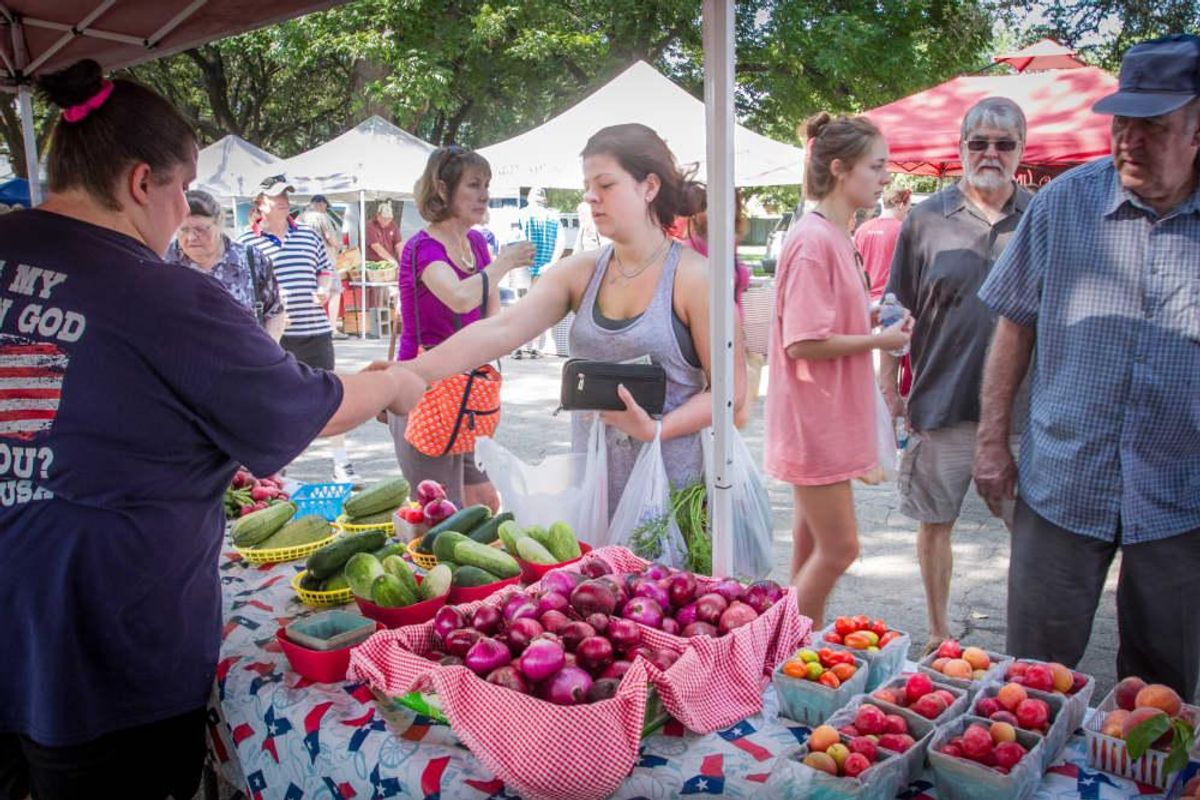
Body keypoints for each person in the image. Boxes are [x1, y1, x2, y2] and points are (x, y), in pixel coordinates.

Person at [0, 59, 425, 800]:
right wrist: (394, 382)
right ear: (142, 184)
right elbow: (302, 409)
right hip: (103, 657)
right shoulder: (160, 295)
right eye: (180, 187)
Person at [974, 34, 1200, 701]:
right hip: (1064, 482)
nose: (1128, 139)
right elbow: (1012, 324)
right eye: (1121, 122)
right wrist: (992, 442)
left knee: (1163, 691)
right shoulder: (1062, 205)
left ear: (1196, 131)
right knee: (1033, 680)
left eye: (1151, 127)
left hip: (1183, 494)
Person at [405, 124, 746, 522]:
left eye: (605, 184)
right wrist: (409, 372)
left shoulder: (695, 277)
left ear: (648, 186)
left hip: (673, 497)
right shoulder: (580, 271)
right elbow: (499, 330)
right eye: (587, 185)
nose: (590, 197)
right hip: (595, 491)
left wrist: (657, 429)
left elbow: (731, 390)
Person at [878, 97, 1032, 654]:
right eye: (979, 142)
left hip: (1023, 411)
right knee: (934, 519)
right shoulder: (924, 218)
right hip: (940, 401)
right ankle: (939, 632)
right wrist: (888, 389)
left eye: (1003, 143)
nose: (990, 153)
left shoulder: (1041, 216)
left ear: (1021, 150)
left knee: (1032, 536)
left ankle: (1025, 642)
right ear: (961, 147)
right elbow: (896, 310)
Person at [764, 113, 912, 625]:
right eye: (877, 166)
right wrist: (880, 339)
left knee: (809, 552)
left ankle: (795, 652)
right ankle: (772, 647)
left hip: (823, 418)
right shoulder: (815, 240)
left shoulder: (830, 234)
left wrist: (871, 316)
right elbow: (802, 341)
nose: (886, 176)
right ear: (840, 168)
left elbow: (819, 319)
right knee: (841, 548)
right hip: (816, 422)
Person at [392, 146, 535, 510]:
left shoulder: (474, 243)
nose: (484, 194)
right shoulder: (421, 247)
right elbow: (459, 298)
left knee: (484, 500)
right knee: (438, 510)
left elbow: (489, 319)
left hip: (468, 391)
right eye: (473, 185)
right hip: (424, 390)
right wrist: (503, 263)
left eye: (486, 184)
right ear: (442, 189)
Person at [239, 177, 361, 485]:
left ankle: (341, 463)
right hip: (272, 336)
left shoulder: (308, 235)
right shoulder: (245, 242)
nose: (283, 200)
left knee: (329, 396)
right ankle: (276, 469)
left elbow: (327, 271)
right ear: (260, 203)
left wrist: (323, 289)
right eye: (276, 196)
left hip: (315, 331)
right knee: (275, 401)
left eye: (286, 195)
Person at [676, 185, 752, 427]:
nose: (719, 211)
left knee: (735, 420)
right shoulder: (690, 249)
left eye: (730, 205)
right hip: (708, 345)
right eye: (708, 206)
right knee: (721, 420)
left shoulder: (727, 243)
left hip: (737, 340)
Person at [166, 189, 287, 341]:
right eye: (183, 230)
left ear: (219, 224)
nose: (191, 237)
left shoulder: (252, 260)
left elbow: (275, 313)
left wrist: (267, 354)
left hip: (244, 361)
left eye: (200, 229)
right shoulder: (162, 263)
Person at [513, 186, 565, 357]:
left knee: (520, 307)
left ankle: (519, 346)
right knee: (539, 309)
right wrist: (552, 263)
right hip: (544, 269)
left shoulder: (521, 214)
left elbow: (514, 239)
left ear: (529, 198)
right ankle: (535, 347)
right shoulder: (553, 218)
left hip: (523, 266)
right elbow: (560, 243)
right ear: (544, 200)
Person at [296, 194, 346, 338]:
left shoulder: (300, 218)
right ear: (322, 204)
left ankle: (310, 327)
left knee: (309, 293)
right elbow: (330, 238)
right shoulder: (322, 217)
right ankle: (332, 328)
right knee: (334, 292)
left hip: (305, 261)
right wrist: (340, 246)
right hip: (325, 260)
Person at [853, 185, 912, 301]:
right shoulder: (903, 230)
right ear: (900, 205)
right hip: (889, 300)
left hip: (862, 298)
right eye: (908, 209)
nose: (907, 214)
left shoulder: (862, 229)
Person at [366, 200, 403, 265]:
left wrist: (402, 259)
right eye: (384, 219)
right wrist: (392, 261)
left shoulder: (393, 225)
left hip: (389, 263)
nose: (387, 221)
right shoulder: (370, 226)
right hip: (375, 263)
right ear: (378, 215)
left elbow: (399, 244)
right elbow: (376, 247)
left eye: (389, 219)